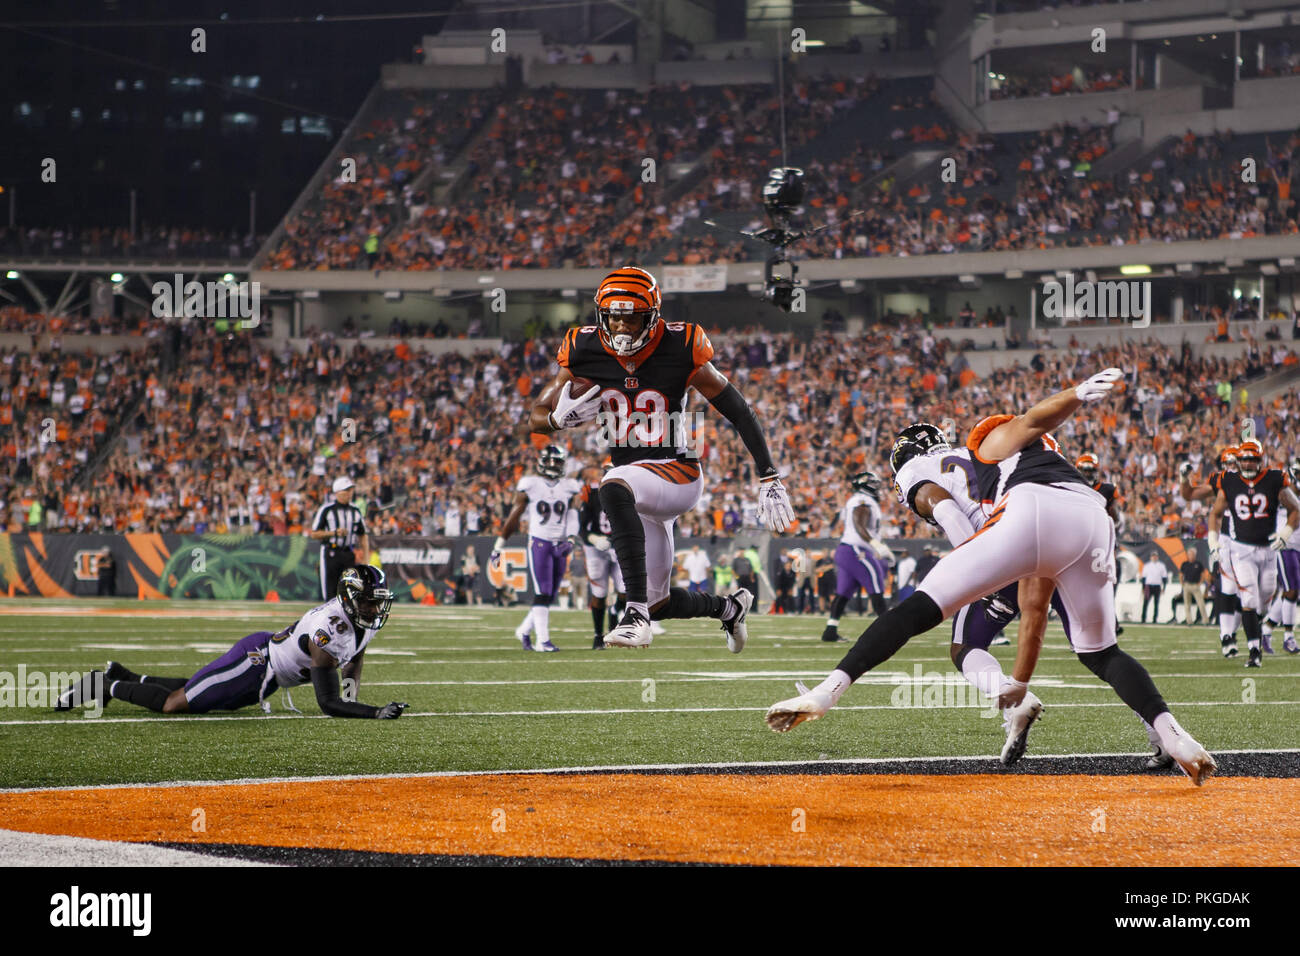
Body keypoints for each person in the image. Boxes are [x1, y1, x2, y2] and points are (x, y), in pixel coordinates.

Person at [765, 369, 1217, 786]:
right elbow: (1034, 606)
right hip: (1090, 523)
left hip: (1014, 527)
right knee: (1101, 653)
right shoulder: (1037, 459)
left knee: (930, 620)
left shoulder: (947, 459)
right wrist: (1023, 675)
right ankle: (1170, 735)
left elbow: (949, 498)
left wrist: (976, 563)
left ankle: (828, 692)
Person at [529, 266, 791, 651]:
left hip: (678, 473)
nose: (620, 327)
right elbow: (535, 416)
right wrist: (555, 419)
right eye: (613, 317)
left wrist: (768, 475)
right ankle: (729, 608)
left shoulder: (680, 345)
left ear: (651, 317)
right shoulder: (584, 350)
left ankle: (634, 614)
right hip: (640, 488)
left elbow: (738, 409)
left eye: (630, 318)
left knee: (613, 484)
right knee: (661, 601)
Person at [57, 566, 405, 719]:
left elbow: (355, 655)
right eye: (369, 602)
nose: (375, 609)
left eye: (378, 601)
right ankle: (106, 685)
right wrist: (371, 712)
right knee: (175, 705)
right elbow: (328, 703)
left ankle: (126, 674)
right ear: (348, 598)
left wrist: (352, 696)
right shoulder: (325, 629)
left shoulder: (362, 620)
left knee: (199, 692)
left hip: (267, 679)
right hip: (255, 662)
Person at [1208, 438, 1300, 667]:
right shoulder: (1228, 480)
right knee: (1248, 597)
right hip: (1242, 550)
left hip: (1268, 549)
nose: (1248, 465)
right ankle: (1254, 651)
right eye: (1245, 460)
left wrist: (1286, 532)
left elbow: (1295, 509)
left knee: (1264, 602)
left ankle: (1261, 630)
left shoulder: (1273, 478)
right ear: (1238, 461)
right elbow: (1215, 513)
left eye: (1253, 460)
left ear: (1260, 461)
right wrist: (1213, 539)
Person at [493, 445, 583, 653]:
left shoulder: (570, 485)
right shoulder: (530, 484)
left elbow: (572, 515)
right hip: (540, 542)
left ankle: (524, 630)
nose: (553, 466)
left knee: (550, 594)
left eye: (557, 462)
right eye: (549, 461)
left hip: (560, 543)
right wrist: (500, 544)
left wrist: (570, 539)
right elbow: (515, 516)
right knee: (543, 591)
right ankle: (543, 641)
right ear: (541, 462)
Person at [1180, 447, 1242, 655]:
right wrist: (1183, 478)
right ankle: (1228, 635)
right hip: (1228, 539)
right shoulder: (1220, 480)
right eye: (1227, 464)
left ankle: (1249, 632)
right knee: (1229, 587)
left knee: (1252, 596)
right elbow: (1190, 494)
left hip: (1254, 540)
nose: (1231, 468)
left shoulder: (1259, 480)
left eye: (1234, 462)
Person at [822, 471, 891, 643]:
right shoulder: (863, 501)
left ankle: (830, 630)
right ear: (865, 485)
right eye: (873, 484)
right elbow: (860, 526)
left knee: (843, 593)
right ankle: (890, 630)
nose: (877, 487)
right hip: (856, 550)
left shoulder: (860, 500)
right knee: (876, 586)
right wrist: (878, 546)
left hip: (846, 550)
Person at [310, 476, 369, 601]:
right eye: (346, 490)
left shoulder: (355, 510)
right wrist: (333, 533)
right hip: (330, 553)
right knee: (330, 592)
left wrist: (365, 560)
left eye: (350, 490)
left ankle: (346, 620)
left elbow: (363, 535)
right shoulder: (327, 510)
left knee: (349, 592)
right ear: (337, 492)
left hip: (348, 553)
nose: (349, 493)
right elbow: (314, 533)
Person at [1174, 555, 1208, 625]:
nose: (1191, 556)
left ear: (1195, 555)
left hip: (1195, 585)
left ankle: (1205, 620)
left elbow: (1203, 574)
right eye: (1190, 555)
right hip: (1187, 585)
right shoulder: (1185, 564)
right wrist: (1182, 584)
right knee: (1187, 604)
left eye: (1192, 555)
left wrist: (1200, 583)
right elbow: (1181, 574)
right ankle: (1189, 621)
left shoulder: (1198, 564)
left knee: (1201, 603)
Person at [1141, 552, 1169, 624]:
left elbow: (1164, 577)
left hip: (1157, 586)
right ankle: (1143, 618)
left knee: (1156, 603)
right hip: (1148, 586)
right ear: (1150, 557)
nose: (1154, 557)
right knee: (1146, 603)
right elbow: (1144, 577)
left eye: (1155, 556)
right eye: (1153, 556)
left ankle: (1155, 619)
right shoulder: (1147, 566)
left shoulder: (1161, 566)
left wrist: (1164, 588)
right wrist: (1143, 588)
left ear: (1158, 557)